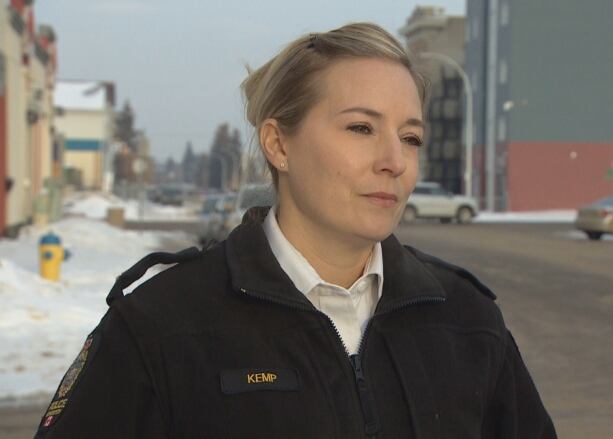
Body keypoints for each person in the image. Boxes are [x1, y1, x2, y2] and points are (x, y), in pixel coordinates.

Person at [35, 22, 556, 438]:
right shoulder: (161, 325)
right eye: (361, 128)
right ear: (278, 145)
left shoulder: (467, 320)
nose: (394, 161)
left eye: (411, 136)